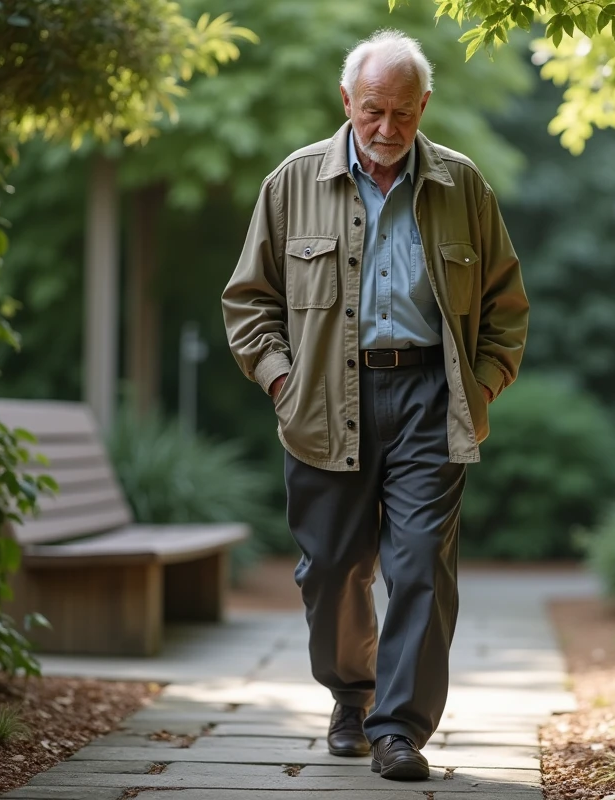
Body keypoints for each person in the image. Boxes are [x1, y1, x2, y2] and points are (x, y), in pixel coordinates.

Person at [220, 29, 528, 782]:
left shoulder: (464, 187)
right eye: (372, 113)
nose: (387, 130)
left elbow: (505, 309)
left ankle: (399, 729)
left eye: (402, 114)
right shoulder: (291, 183)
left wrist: (482, 384)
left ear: (424, 105)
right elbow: (248, 303)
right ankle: (349, 697)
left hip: (431, 396)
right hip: (324, 398)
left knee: (420, 562)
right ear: (346, 102)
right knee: (332, 569)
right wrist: (284, 381)